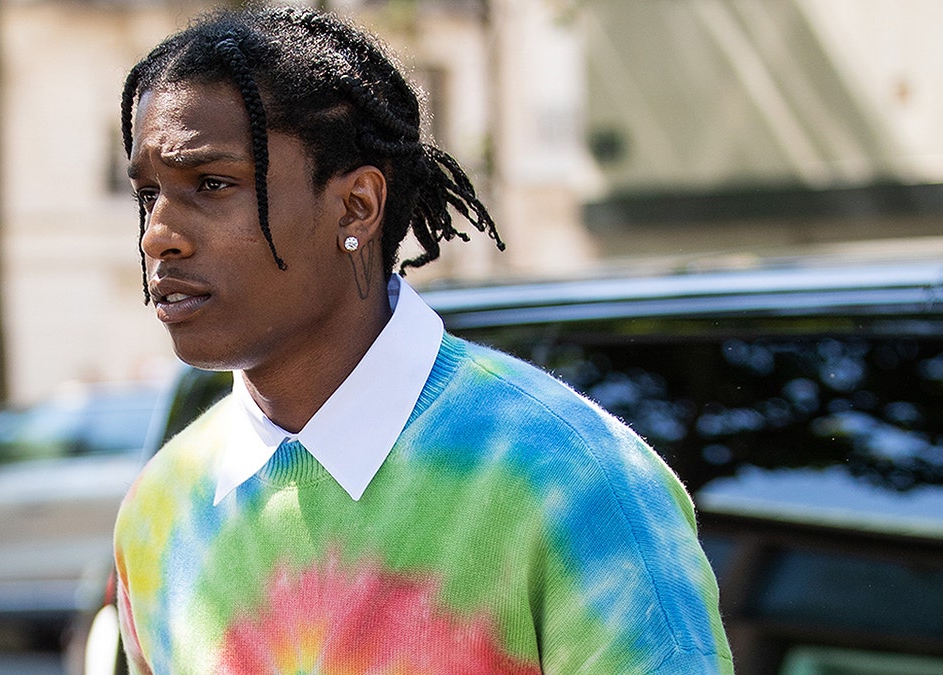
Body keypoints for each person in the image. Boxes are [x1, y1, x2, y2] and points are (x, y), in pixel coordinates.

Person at [113, 6, 733, 674]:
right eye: (150, 193)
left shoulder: (575, 480)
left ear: (356, 206)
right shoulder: (158, 512)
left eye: (212, 183)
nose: (158, 233)